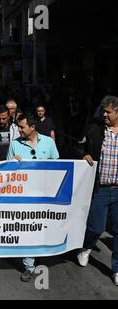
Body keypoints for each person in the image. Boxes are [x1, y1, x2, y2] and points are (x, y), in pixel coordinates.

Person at [6, 113, 59, 282]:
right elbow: (6, 171)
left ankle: (39, 254)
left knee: (41, 228)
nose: (19, 130)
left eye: (22, 127)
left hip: (45, 195)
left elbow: (57, 165)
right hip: (24, 196)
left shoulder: (49, 142)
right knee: (29, 229)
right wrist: (14, 163)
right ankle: (29, 265)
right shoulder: (14, 144)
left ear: (33, 127)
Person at [76, 96, 118, 286]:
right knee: (96, 227)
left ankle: (116, 269)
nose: (104, 115)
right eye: (103, 111)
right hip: (99, 189)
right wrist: (83, 154)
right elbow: (78, 147)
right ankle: (86, 247)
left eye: (108, 112)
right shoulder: (94, 130)